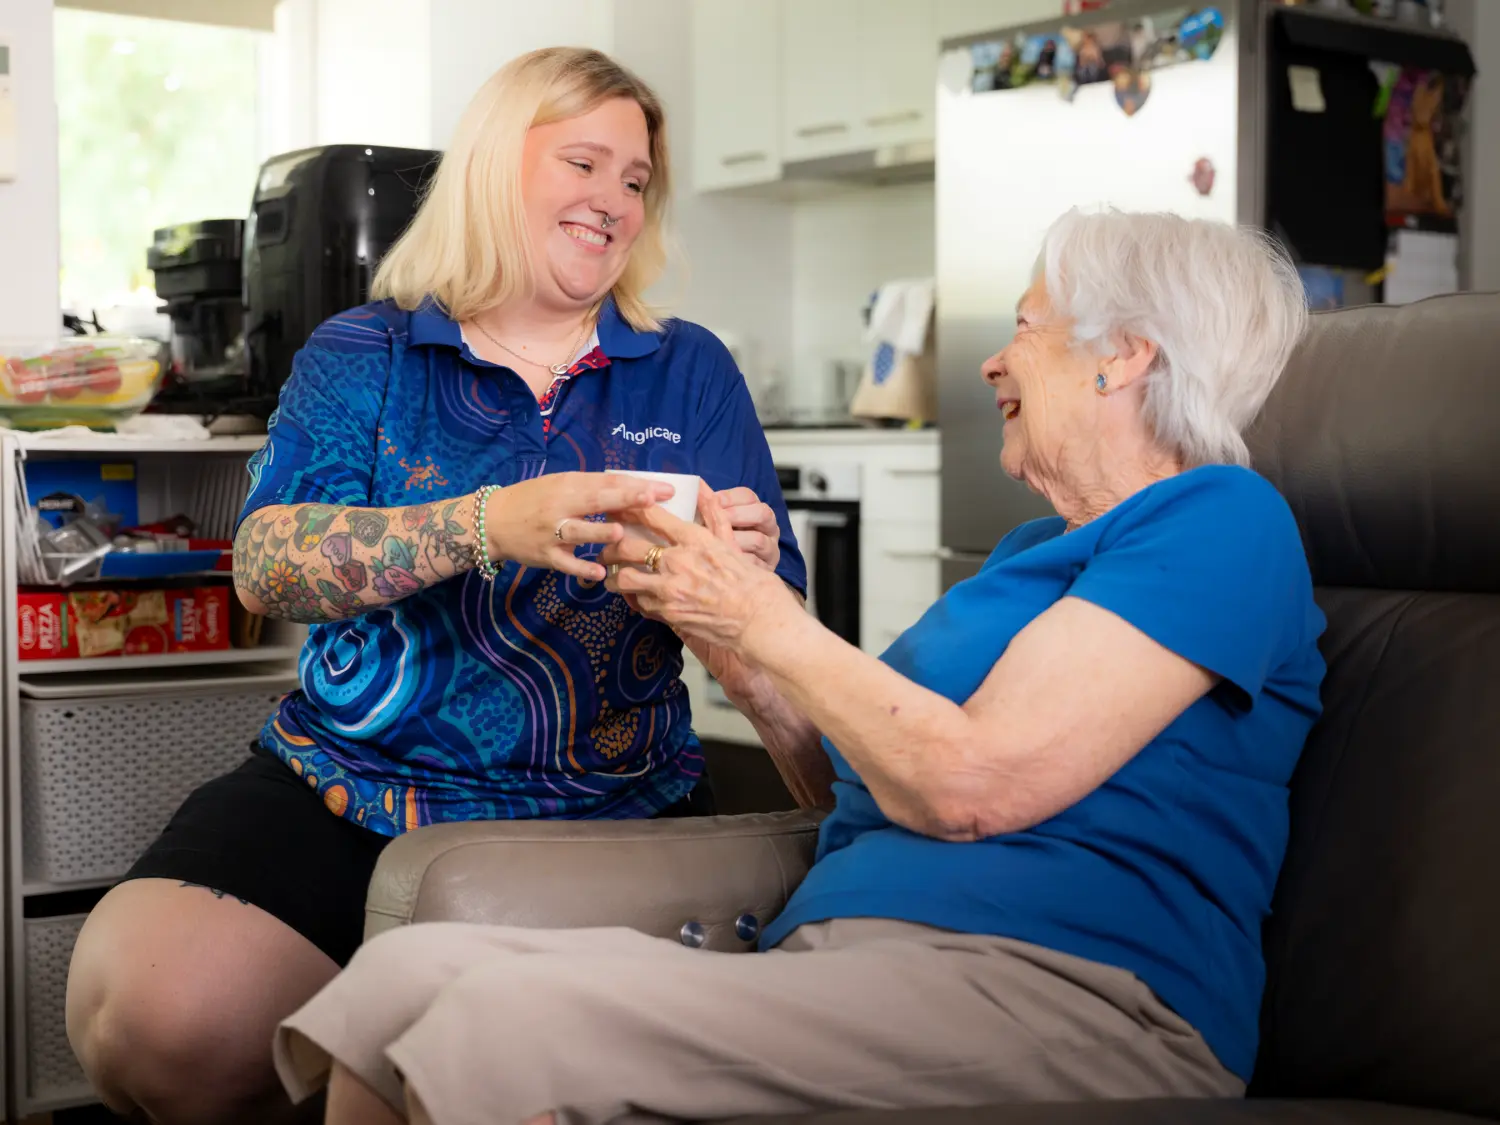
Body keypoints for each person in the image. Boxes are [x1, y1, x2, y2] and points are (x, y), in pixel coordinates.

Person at [270, 208, 1327, 1125]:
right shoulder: (1024, 562)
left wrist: (764, 616)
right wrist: (720, 622)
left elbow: (971, 785)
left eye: (1025, 328)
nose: (993, 362)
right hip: (861, 958)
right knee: (404, 980)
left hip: (1072, 995)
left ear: (1125, 355)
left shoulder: (1222, 521)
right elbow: (848, 781)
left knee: (503, 1026)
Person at [65, 46, 804, 1125]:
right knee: (153, 1025)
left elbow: (776, 633)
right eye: (584, 164)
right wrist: (487, 522)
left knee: (498, 1064)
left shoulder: (686, 368)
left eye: (635, 181)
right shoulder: (366, 351)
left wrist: (734, 586)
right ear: (494, 169)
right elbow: (266, 567)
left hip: (609, 811)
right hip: (350, 785)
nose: (614, 203)